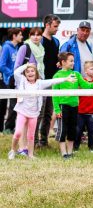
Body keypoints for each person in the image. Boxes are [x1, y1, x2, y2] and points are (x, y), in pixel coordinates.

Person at [8, 64, 74, 160]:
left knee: (31, 136)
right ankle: (12, 151)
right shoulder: (21, 80)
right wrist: (27, 65)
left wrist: (65, 79)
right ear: (25, 74)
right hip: (22, 111)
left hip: (34, 113)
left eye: (32, 71)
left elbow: (52, 81)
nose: (30, 73)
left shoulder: (39, 83)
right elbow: (16, 72)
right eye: (28, 71)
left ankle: (30, 155)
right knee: (18, 132)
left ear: (36, 73)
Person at [52, 52, 93, 159]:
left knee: (72, 130)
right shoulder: (57, 76)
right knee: (62, 131)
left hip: (74, 107)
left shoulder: (76, 74)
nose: (73, 63)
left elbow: (85, 86)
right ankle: (64, 153)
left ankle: (70, 153)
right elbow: (54, 95)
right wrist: (57, 109)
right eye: (71, 61)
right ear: (63, 62)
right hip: (62, 107)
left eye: (73, 61)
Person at [36, 14, 61, 147]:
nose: (57, 29)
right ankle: (33, 141)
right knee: (38, 113)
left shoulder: (56, 41)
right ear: (47, 25)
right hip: (40, 82)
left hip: (53, 82)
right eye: (55, 26)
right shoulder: (39, 41)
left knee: (48, 113)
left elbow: (55, 58)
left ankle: (44, 141)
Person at [0, 28, 23, 134]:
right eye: (20, 35)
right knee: (12, 104)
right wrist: (12, 75)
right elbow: (2, 65)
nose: (22, 36)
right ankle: (8, 128)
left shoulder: (17, 48)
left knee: (16, 104)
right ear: (14, 36)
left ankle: (10, 127)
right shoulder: (6, 47)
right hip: (8, 81)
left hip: (16, 80)